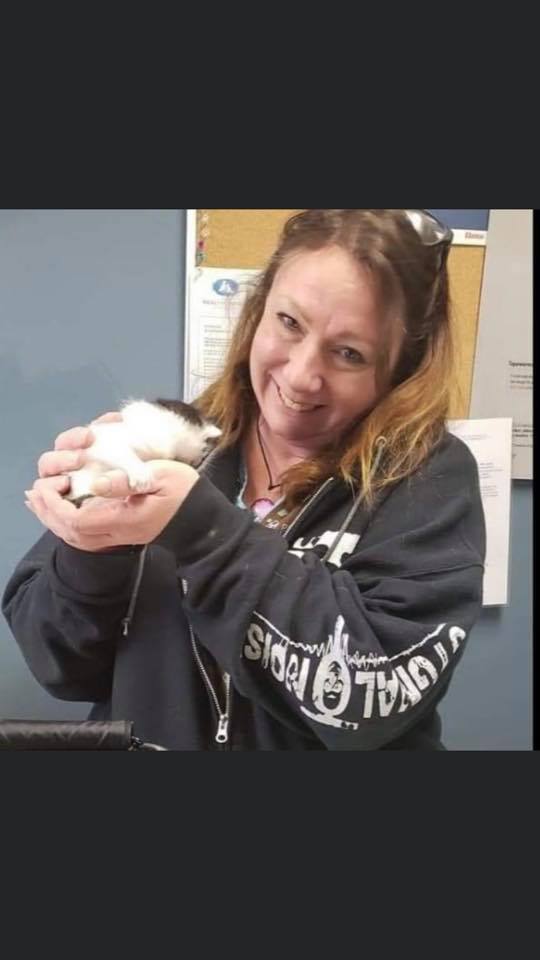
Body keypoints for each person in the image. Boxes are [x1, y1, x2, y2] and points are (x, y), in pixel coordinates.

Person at [2, 210, 486, 750]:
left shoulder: (428, 478)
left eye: (349, 353)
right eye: (289, 323)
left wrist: (205, 534)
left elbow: (367, 705)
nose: (301, 376)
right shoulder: (178, 437)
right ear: (258, 310)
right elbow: (61, 668)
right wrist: (90, 550)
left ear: (400, 368)